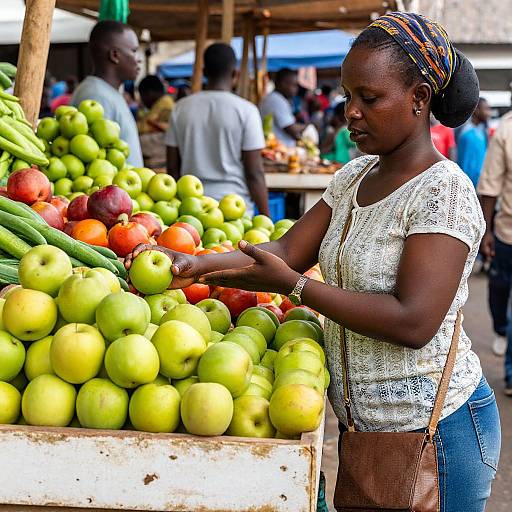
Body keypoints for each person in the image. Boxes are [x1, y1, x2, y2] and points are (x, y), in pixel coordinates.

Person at [128, 12, 501, 511]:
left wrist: (297, 289)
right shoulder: (352, 178)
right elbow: (286, 252)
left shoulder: (444, 192)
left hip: (436, 433)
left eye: (369, 98)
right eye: (348, 96)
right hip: (365, 431)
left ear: (419, 99)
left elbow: (415, 320)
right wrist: (191, 265)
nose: (351, 112)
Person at [166, 43, 269, 216]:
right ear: (235, 74)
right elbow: (254, 173)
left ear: (204, 72)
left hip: (191, 209)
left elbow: (172, 167)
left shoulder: (180, 108)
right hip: (235, 212)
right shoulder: (247, 110)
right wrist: (266, 218)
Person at [71, 20, 143, 167]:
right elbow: (98, 164)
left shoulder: (107, 92)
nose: (139, 59)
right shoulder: (96, 96)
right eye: (134, 51)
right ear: (115, 55)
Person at [478, 111, 512, 385]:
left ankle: (511, 373)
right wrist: (486, 231)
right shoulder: (505, 130)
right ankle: (502, 328)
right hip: (507, 233)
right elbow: (490, 184)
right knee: (499, 289)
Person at [137, 75, 175, 168]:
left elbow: (144, 127)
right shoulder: (161, 102)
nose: (142, 100)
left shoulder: (165, 102)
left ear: (149, 93)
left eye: (142, 96)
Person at [260, 68, 304, 147]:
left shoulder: (276, 98)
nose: (296, 89)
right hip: (278, 149)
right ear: (283, 84)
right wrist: (307, 126)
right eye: (294, 85)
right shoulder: (277, 100)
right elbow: (292, 129)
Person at [457, 98, 491, 187]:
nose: (489, 113)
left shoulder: (482, 131)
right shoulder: (467, 134)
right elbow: (465, 164)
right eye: (486, 109)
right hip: (470, 186)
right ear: (476, 110)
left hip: (481, 184)